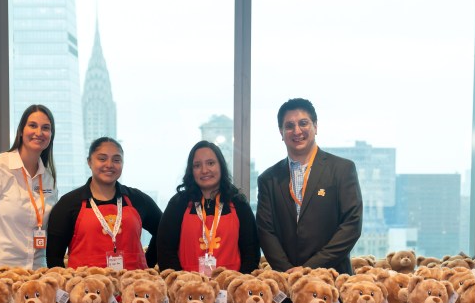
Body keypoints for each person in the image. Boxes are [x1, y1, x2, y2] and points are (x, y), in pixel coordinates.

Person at [256, 97, 362, 275]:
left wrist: (309, 269)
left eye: (303, 123)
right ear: (281, 133)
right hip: (287, 282)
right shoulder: (268, 179)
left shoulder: (342, 169)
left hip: (332, 281)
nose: (297, 131)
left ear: (315, 126)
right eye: (289, 126)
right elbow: (266, 231)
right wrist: (289, 272)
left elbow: (351, 225)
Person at [46, 137, 161, 270]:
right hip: (88, 288)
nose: (109, 164)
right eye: (102, 158)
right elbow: (54, 257)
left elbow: (163, 232)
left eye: (116, 160)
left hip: (132, 286)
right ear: (89, 162)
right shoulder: (68, 203)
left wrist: (148, 264)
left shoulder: (138, 200)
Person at [0, 104, 58, 270]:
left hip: (34, 279)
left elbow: (44, 232)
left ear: (51, 135)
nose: (39, 133)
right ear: (21, 131)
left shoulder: (48, 180)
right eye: (32, 126)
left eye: (46, 128)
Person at [156, 141, 260, 275]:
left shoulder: (239, 204)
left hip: (230, 288)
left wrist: (237, 286)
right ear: (191, 170)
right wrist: (181, 285)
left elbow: (251, 252)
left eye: (210, 163)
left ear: (221, 166)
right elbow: (165, 250)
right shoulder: (178, 204)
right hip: (188, 291)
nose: (204, 170)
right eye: (197, 165)